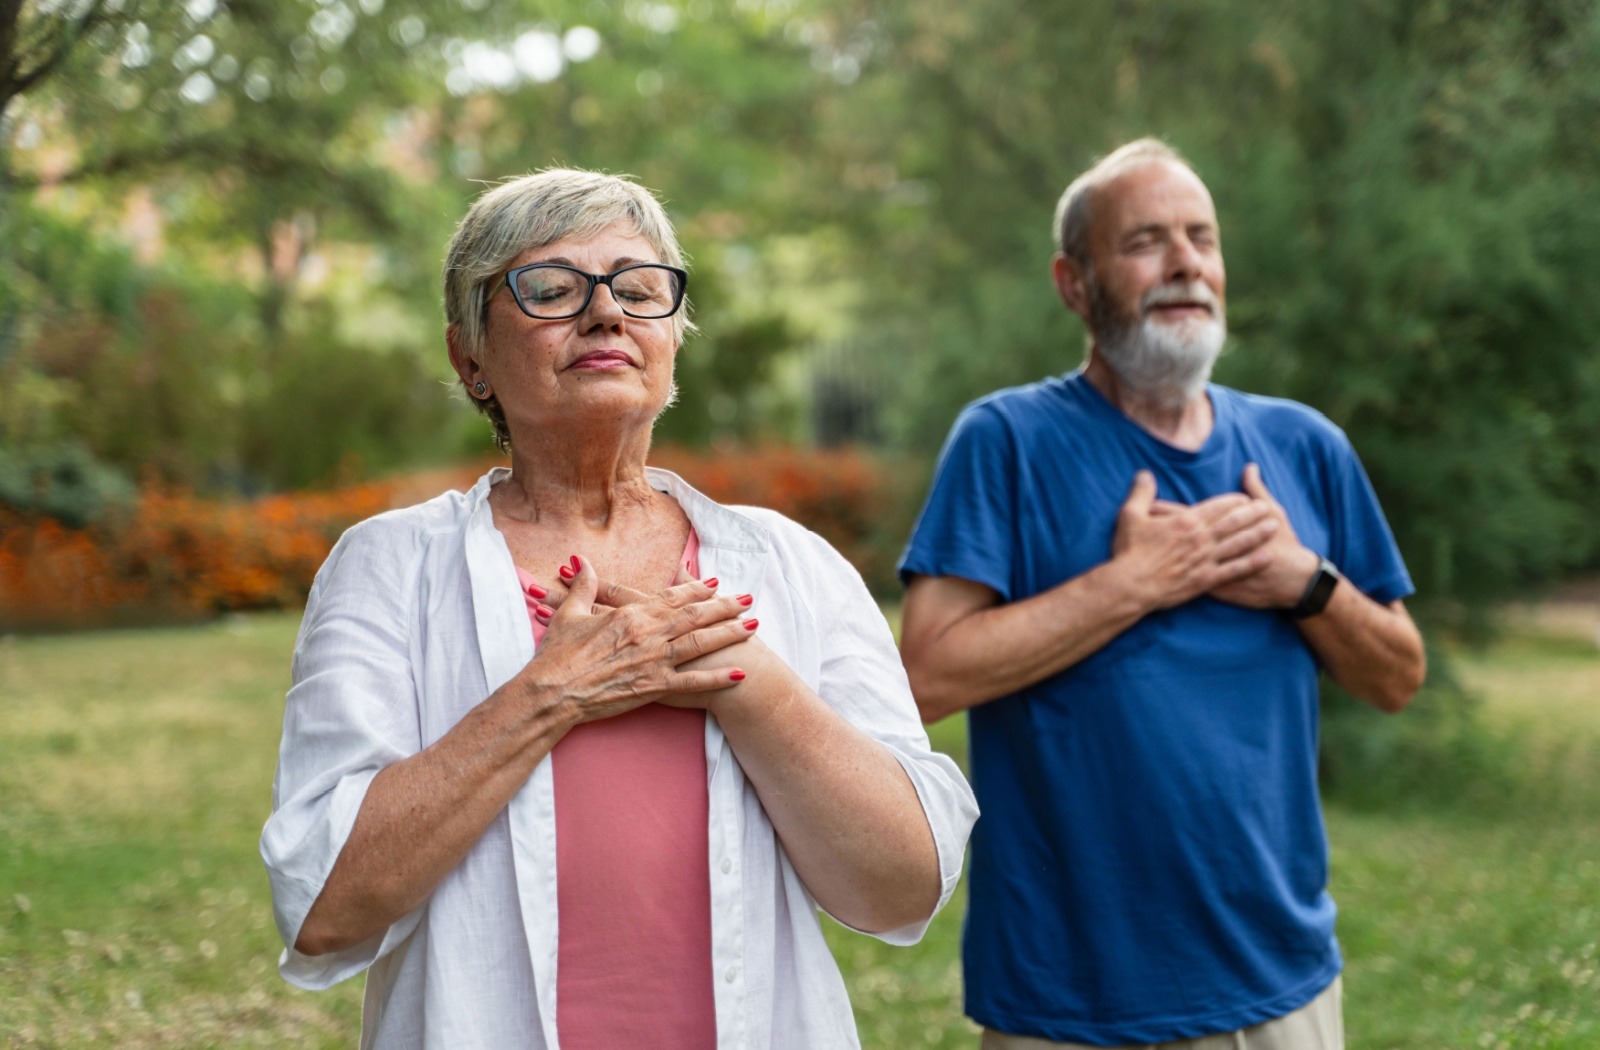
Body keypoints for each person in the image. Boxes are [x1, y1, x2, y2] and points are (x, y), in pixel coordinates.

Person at [260, 168, 977, 1050]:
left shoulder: (791, 564)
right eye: (552, 290)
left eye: (639, 290)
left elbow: (904, 883)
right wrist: (553, 691)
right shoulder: (389, 567)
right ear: (469, 357)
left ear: (673, 336)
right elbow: (325, 902)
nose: (606, 314)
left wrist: (741, 678)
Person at [897, 139, 1426, 1049]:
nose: (1186, 262)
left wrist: (1307, 583)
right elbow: (925, 679)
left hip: (1282, 983)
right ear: (1074, 282)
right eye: (1147, 240)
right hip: (1072, 999)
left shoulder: (1303, 446)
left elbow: (1397, 675)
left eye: (1202, 238)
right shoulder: (1007, 439)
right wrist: (1132, 584)